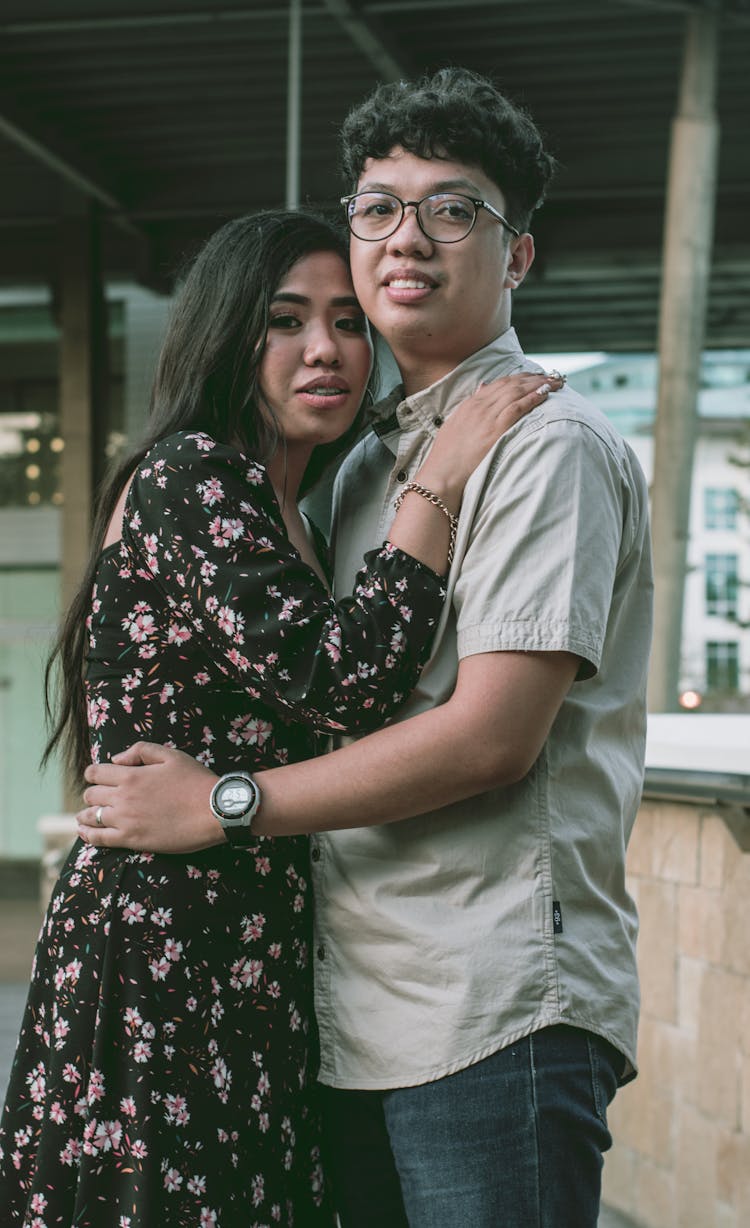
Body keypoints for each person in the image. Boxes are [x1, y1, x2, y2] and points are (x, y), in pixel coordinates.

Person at [76, 68, 653, 1228]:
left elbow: (491, 737)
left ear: (518, 256)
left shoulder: (543, 445)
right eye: (380, 208)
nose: (409, 240)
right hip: (348, 1012)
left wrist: (225, 801)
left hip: (490, 1008)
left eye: (454, 210)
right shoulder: (358, 475)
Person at [0, 207, 557, 1228]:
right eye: (285, 320)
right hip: (163, 953)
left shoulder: (294, 509)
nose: (325, 349)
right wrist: (439, 478)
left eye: (348, 322)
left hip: (248, 949)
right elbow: (342, 675)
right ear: (226, 335)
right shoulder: (191, 475)